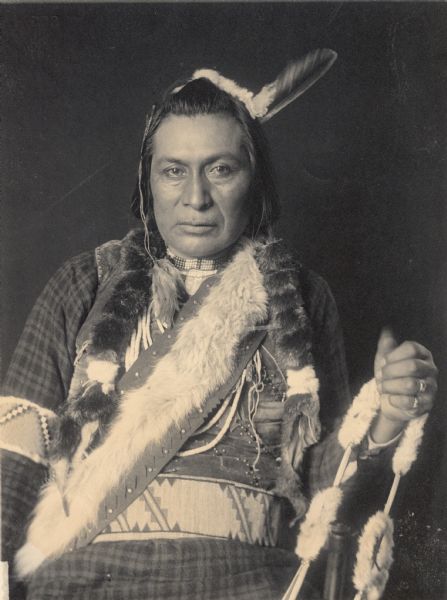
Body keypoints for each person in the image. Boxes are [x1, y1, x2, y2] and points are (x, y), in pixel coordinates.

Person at [0, 51, 438, 600]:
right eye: (174, 171)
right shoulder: (82, 285)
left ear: (255, 180)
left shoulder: (299, 300)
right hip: (83, 583)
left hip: (249, 584)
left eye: (221, 169)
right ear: (148, 180)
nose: (196, 198)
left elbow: (321, 482)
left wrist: (387, 415)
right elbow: (12, 461)